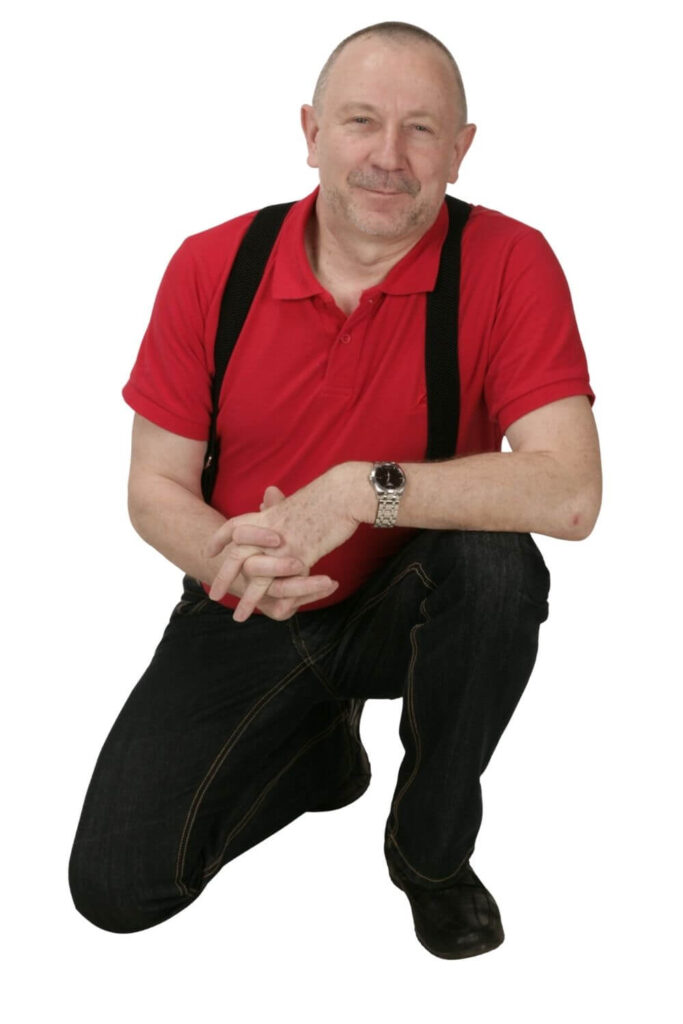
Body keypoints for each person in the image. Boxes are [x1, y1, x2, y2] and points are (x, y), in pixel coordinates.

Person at [68, 21, 601, 959]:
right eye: (360, 121)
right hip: (246, 601)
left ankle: (430, 856)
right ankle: (321, 752)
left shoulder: (508, 261)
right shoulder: (212, 264)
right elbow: (154, 486)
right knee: (119, 888)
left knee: (494, 564)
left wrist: (361, 490)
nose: (388, 156)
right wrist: (231, 561)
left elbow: (569, 494)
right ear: (311, 133)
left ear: (461, 150)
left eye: (420, 129)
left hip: (412, 603)